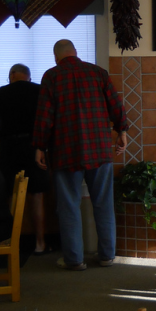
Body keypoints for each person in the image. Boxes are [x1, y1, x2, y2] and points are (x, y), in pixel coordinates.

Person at [33, 40, 128, 271]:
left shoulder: (52, 76)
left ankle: (74, 259)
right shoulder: (98, 73)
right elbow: (116, 106)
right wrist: (122, 130)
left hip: (66, 151)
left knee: (69, 207)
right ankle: (107, 256)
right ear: (76, 52)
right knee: (104, 204)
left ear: (56, 57)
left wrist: (39, 146)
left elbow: (45, 115)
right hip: (100, 149)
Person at [0, 64, 51, 254]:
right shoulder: (39, 91)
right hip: (34, 148)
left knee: (9, 196)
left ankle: (9, 244)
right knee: (36, 196)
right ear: (28, 77)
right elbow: (49, 120)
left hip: (10, 149)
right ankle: (40, 243)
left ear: (12, 75)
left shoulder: (3, 92)